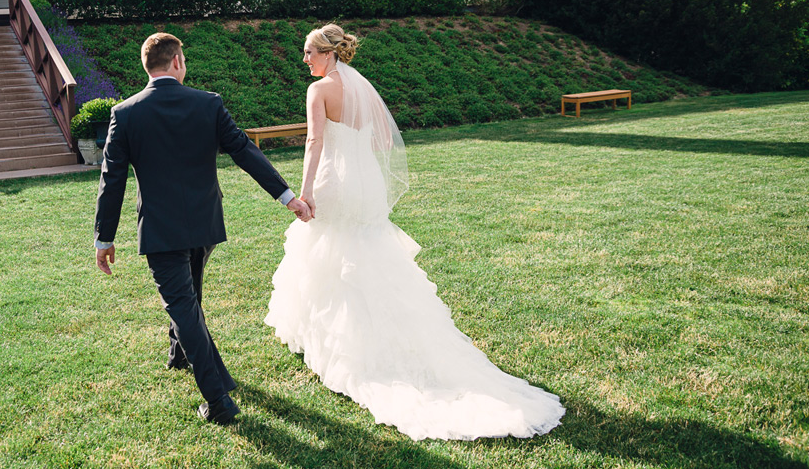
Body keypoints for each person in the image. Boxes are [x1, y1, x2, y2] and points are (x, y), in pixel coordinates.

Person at [264, 24, 565, 441]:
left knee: (331, 252)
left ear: (327, 53)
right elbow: (384, 138)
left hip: (336, 181)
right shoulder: (361, 87)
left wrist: (307, 191)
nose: (305, 60)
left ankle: (343, 343)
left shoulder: (320, 92)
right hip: (365, 183)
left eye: (308, 52)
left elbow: (315, 141)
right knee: (362, 249)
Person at [94, 32, 313, 425]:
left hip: (161, 229)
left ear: (149, 66)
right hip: (206, 221)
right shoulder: (208, 103)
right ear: (177, 62)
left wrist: (104, 238)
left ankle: (218, 402)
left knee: (182, 303)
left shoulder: (125, 113)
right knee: (189, 299)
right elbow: (244, 150)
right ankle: (182, 352)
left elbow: (113, 180)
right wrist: (286, 196)